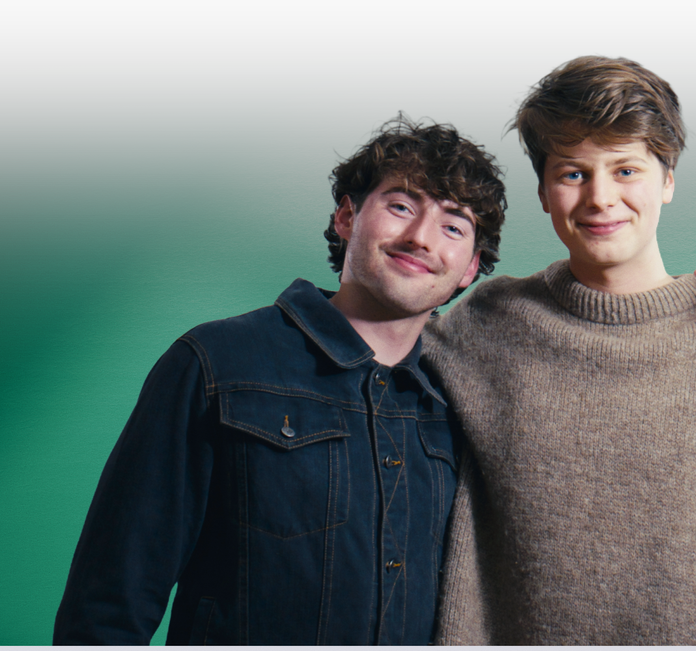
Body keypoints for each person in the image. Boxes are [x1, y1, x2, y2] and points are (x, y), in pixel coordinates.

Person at [53, 114, 506, 645]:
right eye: (401, 206)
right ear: (346, 217)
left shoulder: (458, 405)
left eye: (453, 226)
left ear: (470, 267)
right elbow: (107, 604)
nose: (420, 238)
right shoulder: (216, 362)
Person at [421, 56, 696, 645]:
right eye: (573, 174)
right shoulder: (488, 322)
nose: (601, 198)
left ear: (668, 181)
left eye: (626, 170)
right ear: (545, 194)